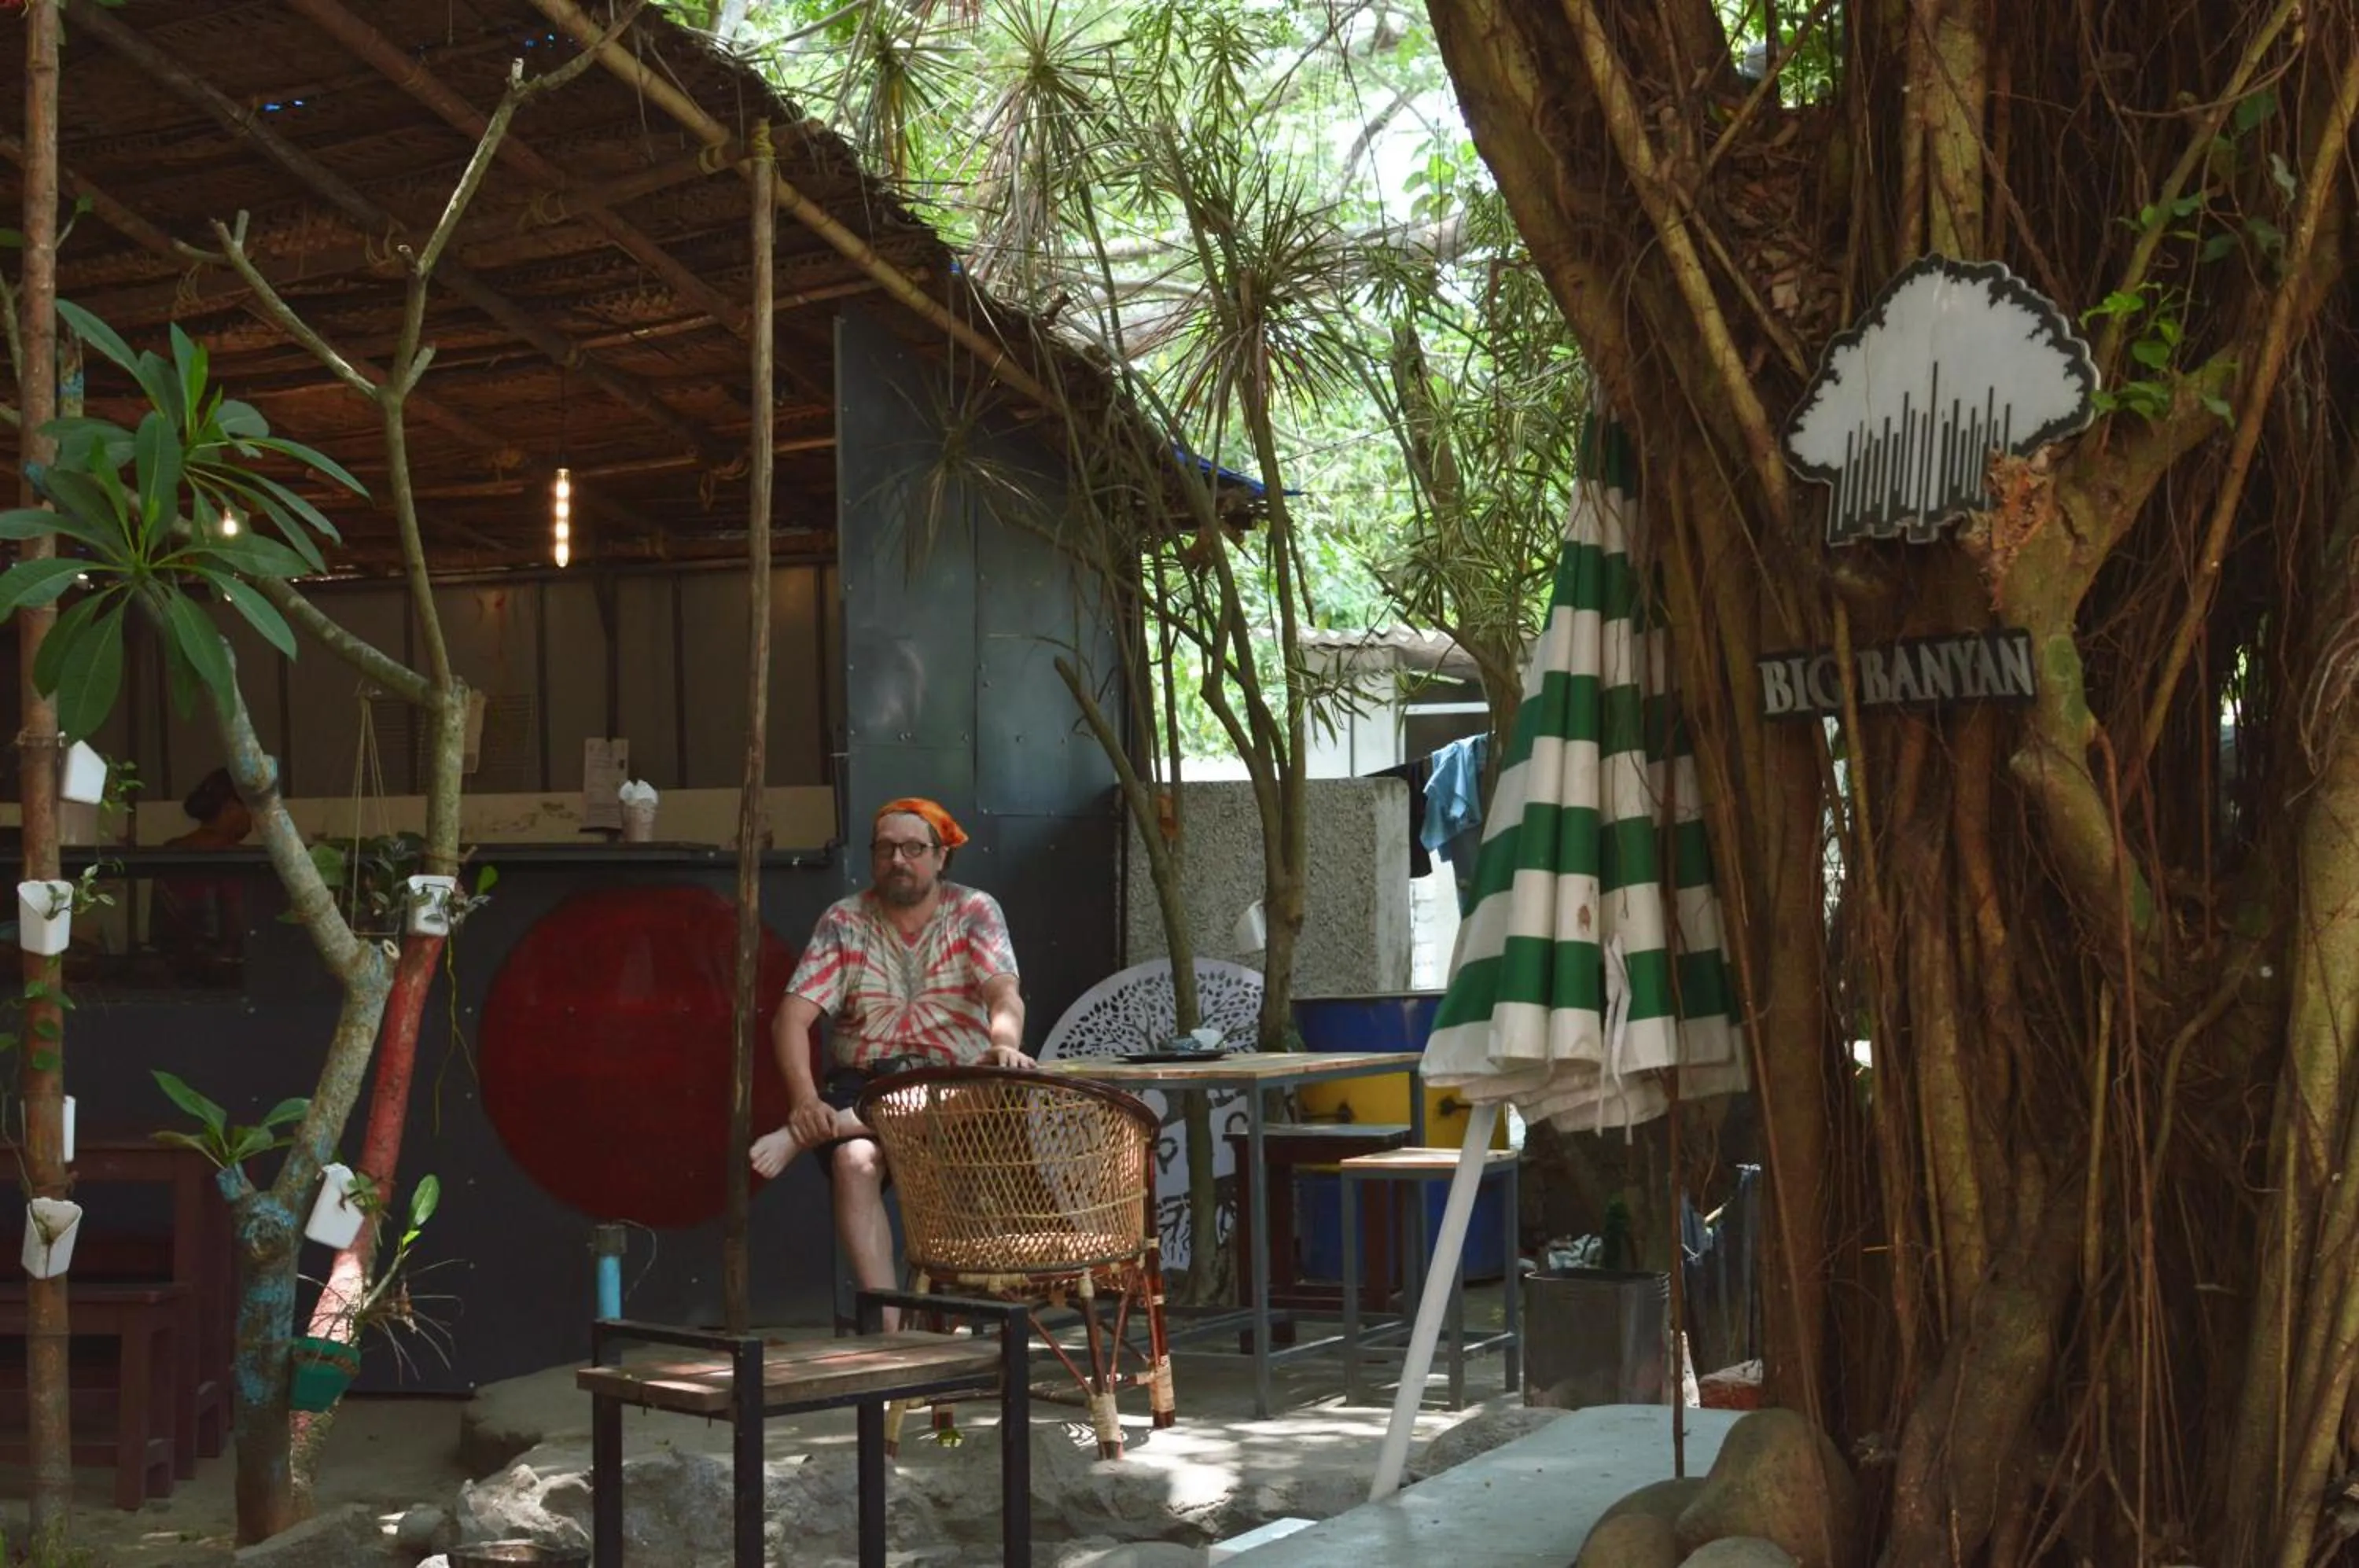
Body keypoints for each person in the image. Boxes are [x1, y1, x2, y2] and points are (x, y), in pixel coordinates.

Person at [749, 797, 1029, 1323]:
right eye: (886, 849)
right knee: (852, 1161)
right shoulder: (844, 921)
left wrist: (1005, 1041)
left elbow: (1003, 992)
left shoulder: (974, 910)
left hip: (953, 1085)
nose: (898, 860)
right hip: (864, 1084)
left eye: (914, 848)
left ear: (941, 857)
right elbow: (790, 1018)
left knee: (964, 1091)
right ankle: (889, 1329)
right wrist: (805, 1100)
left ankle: (814, 1131)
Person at [152, 767, 252, 984]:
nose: (252, 816)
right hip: (226, 977)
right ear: (231, 808)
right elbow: (240, 924)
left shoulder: (170, 851)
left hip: (175, 975)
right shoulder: (235, 858)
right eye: (249, 807)